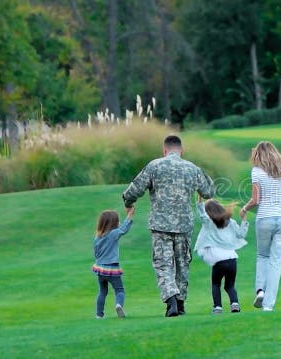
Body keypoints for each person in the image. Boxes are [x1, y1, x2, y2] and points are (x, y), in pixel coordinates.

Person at [122, 135, 215, 317]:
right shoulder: (192, 168)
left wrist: (128, 201)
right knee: (182, 264)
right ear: (182, 151)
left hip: (160, 224)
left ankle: (170, 301)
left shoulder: (154, 165)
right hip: (183, 224)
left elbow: (136, 188)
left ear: (164, 150)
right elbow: (209, 190)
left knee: (163, 264)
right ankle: (180, 303)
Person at [239, 141, 281, 312]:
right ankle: (268, 306)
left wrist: (244, 209)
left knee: (263, 256)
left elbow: (255, 200)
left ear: (259, 155)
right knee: (276, 262)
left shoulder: (256, 171)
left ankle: (260, 291)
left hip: (264, 217)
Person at [194, 198, 249, 314]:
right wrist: (244, 219)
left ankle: (217, 307)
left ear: (208, 211)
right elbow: (241, 234)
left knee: (216, 284)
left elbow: (201, 213)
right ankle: (235, 304)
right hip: (232, 259)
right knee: (230, 286)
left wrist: (200, 197)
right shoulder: (230, 222)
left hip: (218, 260)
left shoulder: (209, 222)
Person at [92, 206, 134, 319]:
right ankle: (119, 305)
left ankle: (99, 314)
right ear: (113, 224)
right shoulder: (113, 234)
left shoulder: (97, 237)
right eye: (117, 221)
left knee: (102, 291)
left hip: (100, 269)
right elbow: (124, 229)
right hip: (112, 268)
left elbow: (96, 254)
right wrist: (130, 215)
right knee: (119, 290)